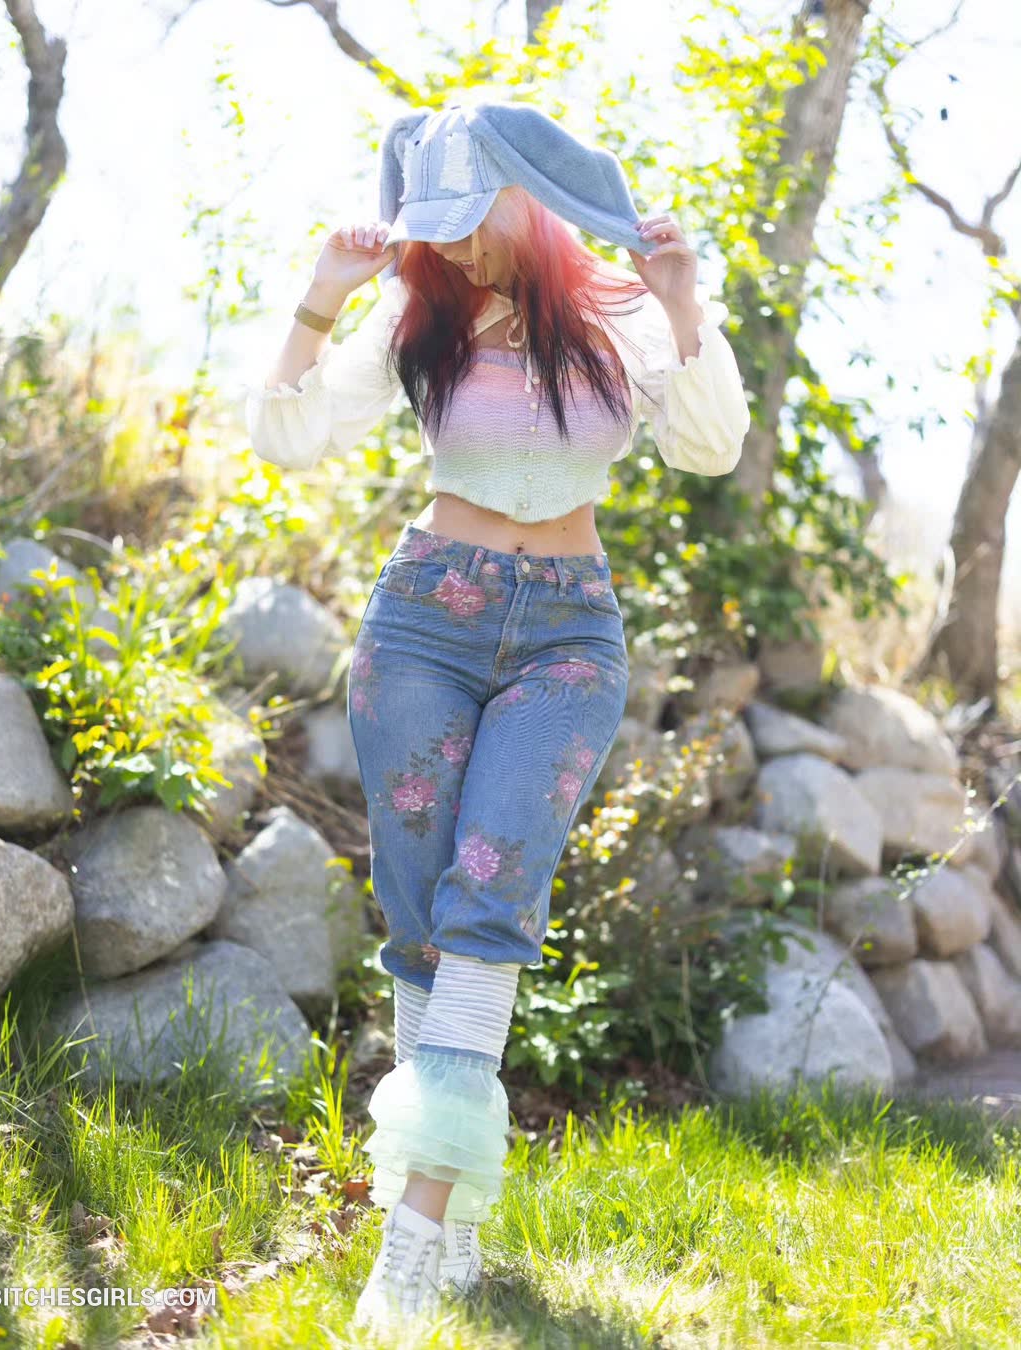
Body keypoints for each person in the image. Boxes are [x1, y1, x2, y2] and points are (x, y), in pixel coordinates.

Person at [245, 101, 751, 1332]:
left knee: (488, 897)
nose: (458, 244)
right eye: (437, 223)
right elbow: (290, 438)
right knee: (422, 918)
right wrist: (321, 298)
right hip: (423, 624)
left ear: (530, 195)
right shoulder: (417, 315)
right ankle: (454, 1219)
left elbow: (710, 448)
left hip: (568, 636)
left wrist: (685, 303)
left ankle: (412, 1241)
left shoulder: (622, 312)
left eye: (472, 218)